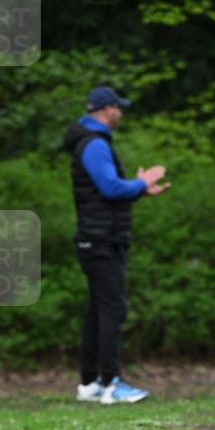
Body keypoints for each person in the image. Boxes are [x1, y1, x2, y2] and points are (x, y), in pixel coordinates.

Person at [63, 85, 170, 404]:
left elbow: (107, 191)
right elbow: (110, 188)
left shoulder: (90, 141)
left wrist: (138, 189)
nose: (120, 113)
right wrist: (140, 183)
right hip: (101, 240)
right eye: (118, 108)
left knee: (97, 310)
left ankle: (89, 383)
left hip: (96, 238)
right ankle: (111, 383)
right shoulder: (94, 144)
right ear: (108, 109)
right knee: (113, 308)